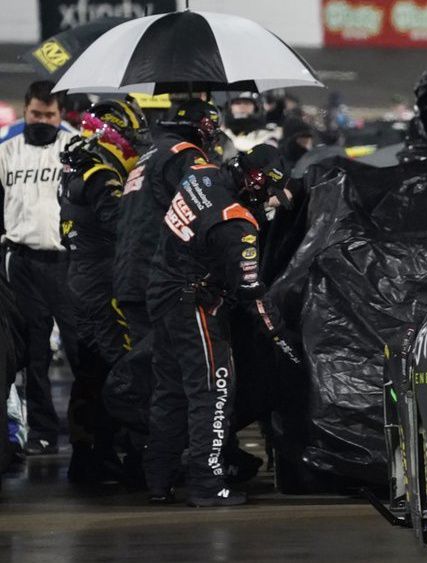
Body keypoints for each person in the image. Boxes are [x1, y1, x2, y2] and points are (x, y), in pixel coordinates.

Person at [143, 144, 299, 507]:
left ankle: (157, 480)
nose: (271, 202)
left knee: (169, 392)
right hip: (195, 304)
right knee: (213, 392)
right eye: (270, 193)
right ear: (256, 181)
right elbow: (250, 292)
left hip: (162, 289)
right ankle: (206, 484)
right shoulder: (236, 223)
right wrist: (278, 333)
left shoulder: (199, 174)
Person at [58, 99, 149, 481]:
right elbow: (121, 224)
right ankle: (130, 455)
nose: (134, 144)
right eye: (130, 136)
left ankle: (90, 455)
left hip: (80, 277)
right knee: (122, 368)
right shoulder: (100, 173)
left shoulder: (79, 162)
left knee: (90, 370)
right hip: (100, 282)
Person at [0, 80, 83, 455]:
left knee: (80, 350)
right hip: (22, 262)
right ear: (26, 109)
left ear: (61, 115)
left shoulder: (75, 148)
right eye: (36, 113)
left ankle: (86, 435)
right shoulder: (6, 149)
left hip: (67, 262)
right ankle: (42, 433)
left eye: (50, 114)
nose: (42, 120)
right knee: (33, 354)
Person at [114, 99, 222, 344]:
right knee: (162, 367)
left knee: (144, 363)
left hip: (129, 274)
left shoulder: (151, 153)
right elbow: (204, 207)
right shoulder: (184, 155)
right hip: (156, 277)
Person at [219, 92, 280, 159]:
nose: (242, 107)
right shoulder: (220, 133)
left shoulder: (268, 133)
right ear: (229, 107)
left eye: (247, 103)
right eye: (237, 103)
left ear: (256, 107)